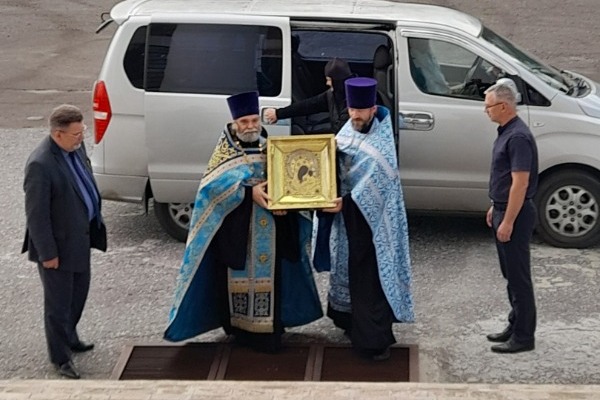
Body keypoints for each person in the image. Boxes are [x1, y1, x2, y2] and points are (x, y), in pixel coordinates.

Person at [164, 91, 323, 353]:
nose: (250, 126)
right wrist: (249, 193)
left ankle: (270, 330)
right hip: (238, 231)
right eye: (244, 122)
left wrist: (284, 203)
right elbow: (210, 190)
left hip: (272, 229)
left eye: (253, 121)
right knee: (235, 281)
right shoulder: (225, 151)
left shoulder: (269, 146)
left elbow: (287, 180)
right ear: (234, 123)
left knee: (274, 278)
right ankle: (241, 331)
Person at [313, 77, 414, 361]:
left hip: (374, 225)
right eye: (352, 110)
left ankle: (374, 341)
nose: (355, 116)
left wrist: (343, 204)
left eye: (361, 111)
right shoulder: (349, 128)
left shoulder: (382, 144)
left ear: (372, 109)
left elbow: (376, 188)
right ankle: (348, 320)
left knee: (369, 279)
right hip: (349, 220)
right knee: (346, 269)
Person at [22, 104, 107, 379]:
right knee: (58, 306)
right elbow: (37, 216)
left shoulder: (75, 148)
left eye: (82, 131)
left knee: (78, 295)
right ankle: (60, 358)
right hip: (57, 248)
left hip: (80, 240)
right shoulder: (40, 165)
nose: (82, 137)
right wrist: (48, 254)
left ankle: (70, 337)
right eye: (76, 134)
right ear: (58, 134)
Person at [484, 78, 538, 354]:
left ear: (504, 106)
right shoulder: (506, 132)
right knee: (510, 274)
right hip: (503, 207)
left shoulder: (517, 137)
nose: (486, 111)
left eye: (489, 107)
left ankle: (524, 336)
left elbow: (520, 183)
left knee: (519, 278)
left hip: (514, 213)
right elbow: (504, 178)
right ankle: (515, 323)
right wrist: (496, 206)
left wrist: (508, 221)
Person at [263, 57, 354, 133]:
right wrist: (279, 113)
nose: (327, 83)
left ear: (337, 81)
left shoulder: (355, 100)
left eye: (329, 80)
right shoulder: (332, 94)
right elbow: (309, 105)